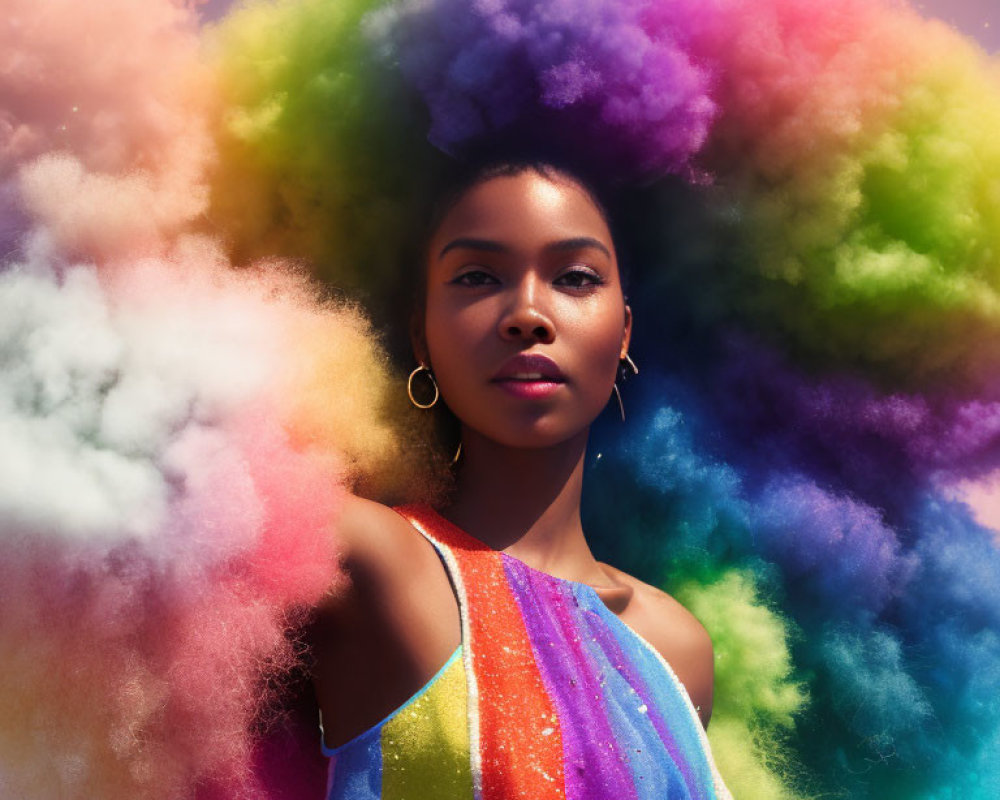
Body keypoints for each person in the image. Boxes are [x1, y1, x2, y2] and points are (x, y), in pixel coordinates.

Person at [307, 157, 732, 799]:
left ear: (623, 332)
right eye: (477, 276)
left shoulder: (678, 649)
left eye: (576, 277)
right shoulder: (363, 559)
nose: (527, 314)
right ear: (421, 335)